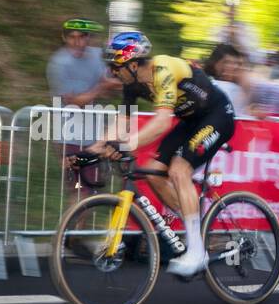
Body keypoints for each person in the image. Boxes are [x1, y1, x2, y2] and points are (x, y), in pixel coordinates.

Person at [83, 31, 236, 278]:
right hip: (190, 121)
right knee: (154, 173)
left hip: (217, 115)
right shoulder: (131, 84)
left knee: (178, 170)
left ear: (133, 64)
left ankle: (197, 253)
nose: (112, 72)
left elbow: (163, 122)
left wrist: (127, 144)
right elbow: (122, 119)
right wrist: (97, 146)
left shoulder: (162, 69)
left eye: (115, 66)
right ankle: (194, 226)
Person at [47, 19, 116, 192]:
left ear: (89, 38)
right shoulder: (59, 63)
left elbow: (114, 83)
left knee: (90, 189)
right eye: (72, 37)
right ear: (64, 38)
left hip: (93, 135)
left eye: (82, 37)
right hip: (67, 135)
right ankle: (72, 219)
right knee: (78, 189)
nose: (77, 42)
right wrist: (101, 87)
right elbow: (74, 101)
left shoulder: (98, 55)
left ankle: (75, 219)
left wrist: (110, 85)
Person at [203, 43, 250, 114]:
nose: (235, 67)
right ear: (215, 64)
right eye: (227, 62)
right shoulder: (224, 87)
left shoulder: (237, 87)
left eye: (237, 63)